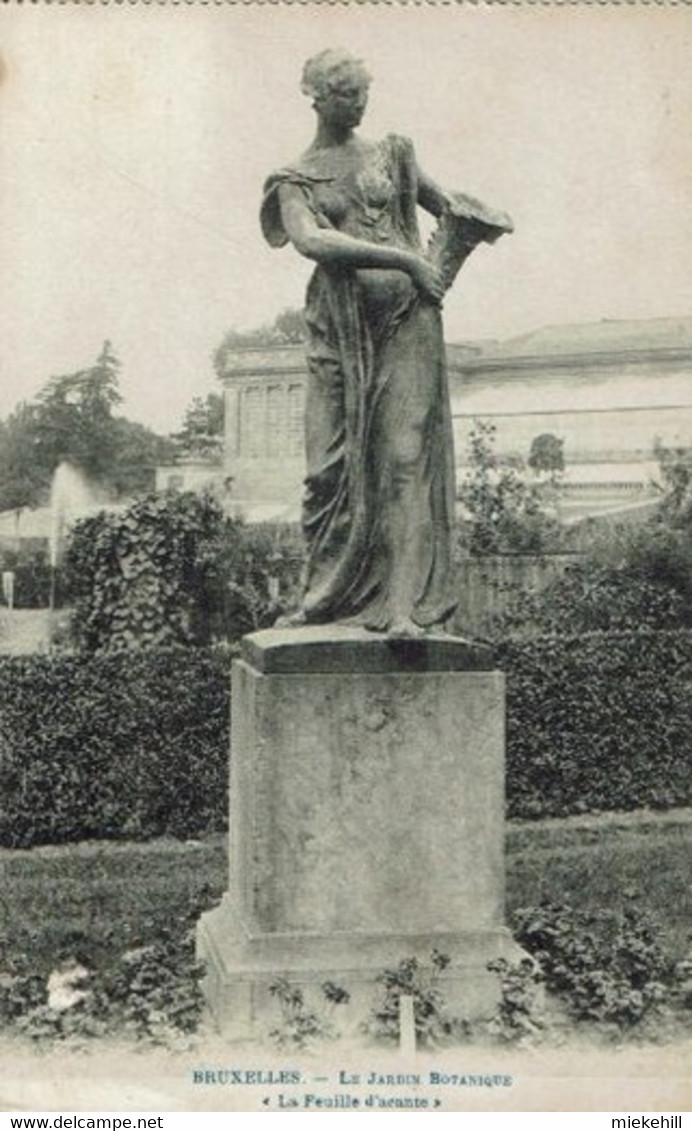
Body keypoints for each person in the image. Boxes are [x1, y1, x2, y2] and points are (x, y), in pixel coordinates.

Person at [261, 49, 510, 637]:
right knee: (326, 472)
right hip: (340, 335)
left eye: (364, 92)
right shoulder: (294, 179)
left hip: (407, 323)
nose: (360, 103)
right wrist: (402, 256)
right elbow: (311, 241)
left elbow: (444, 205)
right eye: (347, 93)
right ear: (317, 96)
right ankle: (322, 598)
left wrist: (475, 220)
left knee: (404, 462)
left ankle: (401, 607)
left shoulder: (392, 154)